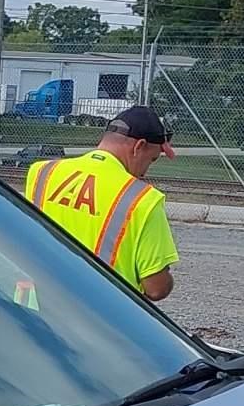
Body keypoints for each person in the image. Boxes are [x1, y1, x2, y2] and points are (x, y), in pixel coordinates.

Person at [23, 105, 179, 300]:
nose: (145, 171)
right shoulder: (143, 199)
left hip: (30, 307)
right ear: (139, 147)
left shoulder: (42, 172)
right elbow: (156, 288)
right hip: (91, 319)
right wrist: (167, 281)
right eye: (152, 159)